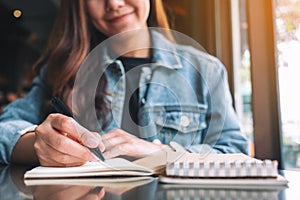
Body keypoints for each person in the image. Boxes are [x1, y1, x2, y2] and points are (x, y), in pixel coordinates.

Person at [0, 0, 248, 167]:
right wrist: (38, 145)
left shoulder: (205, 70)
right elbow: (5, 129)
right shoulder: (62, 70)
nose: (115, 4)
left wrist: (160, 154)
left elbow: (237, 157)